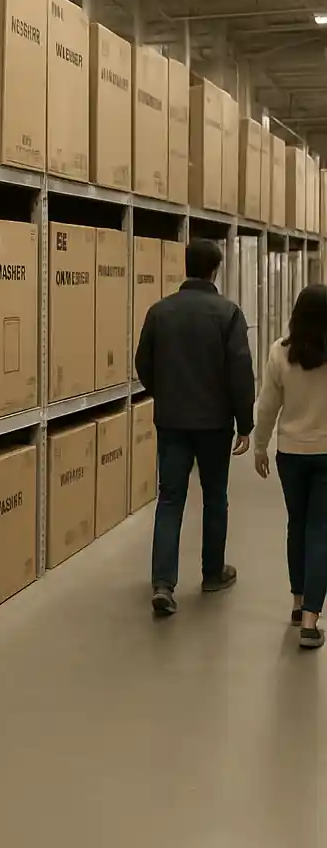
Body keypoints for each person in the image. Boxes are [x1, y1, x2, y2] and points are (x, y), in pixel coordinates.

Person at [135, 238, 254, 616]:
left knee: (170, 499)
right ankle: (212, 573)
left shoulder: (160, 312)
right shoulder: (228, 314)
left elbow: (143, 363)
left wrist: (165, 393)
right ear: (215, 270)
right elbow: (240, 371)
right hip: (215, 424)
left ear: (185, 266)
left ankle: (162, 584)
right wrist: (245, 423)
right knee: (214, 496)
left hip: (172, 421)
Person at [253, 284, 327, 650]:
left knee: (296, 525)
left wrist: (260, 446)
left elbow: (268, 405)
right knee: (320, 532)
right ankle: (311, 621)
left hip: (291, 455)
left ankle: (298, 603)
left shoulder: (279, 352)